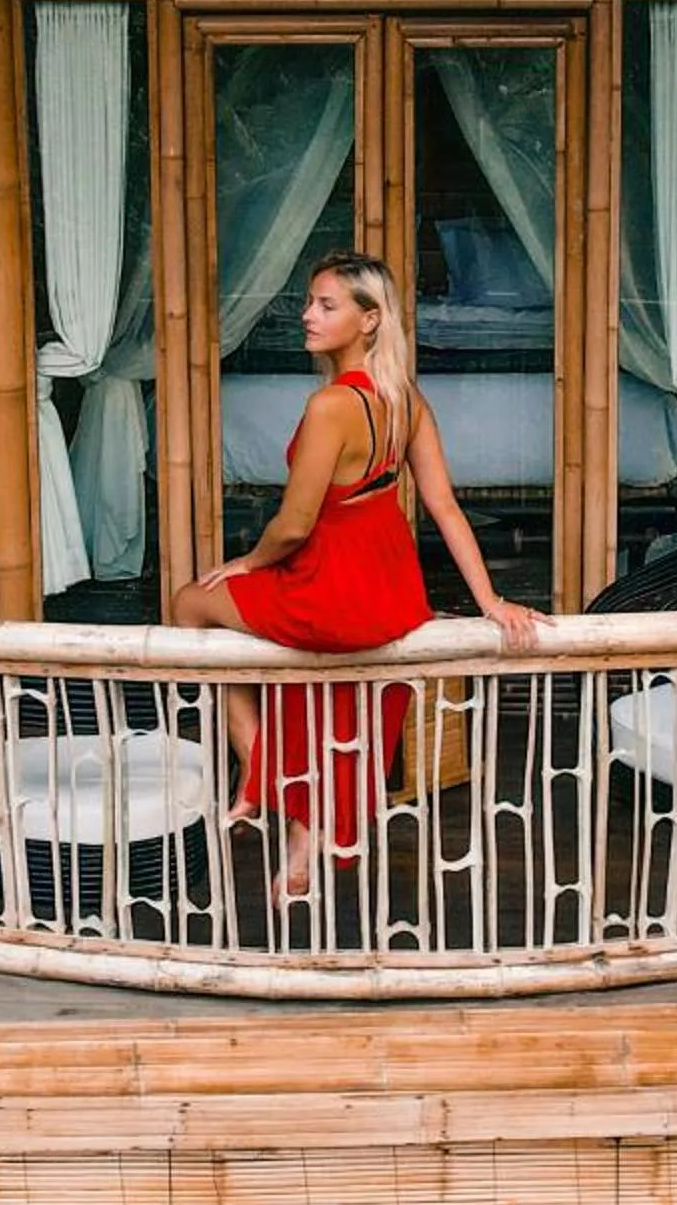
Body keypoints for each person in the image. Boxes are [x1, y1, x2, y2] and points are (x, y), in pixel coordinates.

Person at [173, 251, 543, 897]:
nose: (307, 315)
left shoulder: (329, 407)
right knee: (297, 674)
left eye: (327, 305)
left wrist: (246, 563)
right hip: (392, 591)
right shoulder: (405, 400)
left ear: (370, 320)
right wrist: (491, 599)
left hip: (332, 589)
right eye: (310, 302)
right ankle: (298, 836)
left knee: (188, 602)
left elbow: (292, 526)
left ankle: (258, 772)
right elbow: (444, 507)